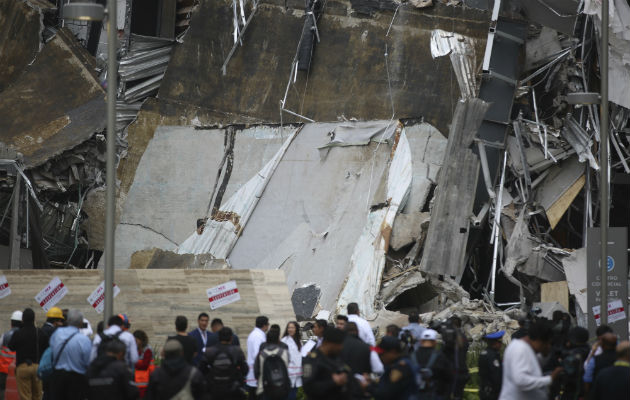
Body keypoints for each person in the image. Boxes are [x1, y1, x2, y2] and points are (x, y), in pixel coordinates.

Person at [498, 319, 563, 400]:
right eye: (547, 343)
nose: (548, 346)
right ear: (539, 340)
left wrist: (544, 355)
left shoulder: (526, 348)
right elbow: (521, 380)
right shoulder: (520, 349)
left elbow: (531, 366)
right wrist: (549, 379)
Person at [302, 327, 357, 400]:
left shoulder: (336, 358)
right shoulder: (312, 360)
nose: (341, 347)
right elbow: (309, 388)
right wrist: (333, 382)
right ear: (329, 343)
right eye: (339, 344)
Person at [49, 309, 93, 400]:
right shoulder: (84, 340)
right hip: (76, 380)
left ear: (67, 320)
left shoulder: (57, 334)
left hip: (58, 377)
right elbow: (88, 362)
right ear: (81, 323)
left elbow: (52, 351)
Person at [8, 308, 48, 400]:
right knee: (38, 395)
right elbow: (47, 346)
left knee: (25, 396)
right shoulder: (40, 332)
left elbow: (11, 346)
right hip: (37, 368)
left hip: (22, 367)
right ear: (34, 319)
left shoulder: (18, 333)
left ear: (23, 320)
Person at [200, 327, 248, 400]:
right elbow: (245, 370)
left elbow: (201, 368)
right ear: (231, 338)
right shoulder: (237, 351)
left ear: (219, 337)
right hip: (232, 390)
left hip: (214, 390)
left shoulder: (209, 351)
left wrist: (211, 375)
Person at [413, 329, 452, 400]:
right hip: (435, 393)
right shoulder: (440, 356)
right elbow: (448, 376)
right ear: (435, 342)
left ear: (421, 341)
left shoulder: (412, 356)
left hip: (415, 394)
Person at [254, 324, 290, 399]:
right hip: (282, 387)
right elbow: (287, 367)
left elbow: (256, 371)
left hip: (265, 388)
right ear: (278, 338)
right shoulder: (284, 351)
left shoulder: (262, 352)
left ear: (267, 338)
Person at [0, 311, 21, 400]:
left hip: (3, 369)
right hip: (16, 370)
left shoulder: (4, 336)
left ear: (11, 323)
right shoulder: (21, 335)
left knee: (2, 391)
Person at [246, 316, 269, 399]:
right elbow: (258, 355)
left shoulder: (255, 334)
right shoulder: (258, 336)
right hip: (257, 375)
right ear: (265, 325)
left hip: (254, 374)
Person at [478, 330, 504, 400]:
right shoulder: (492, 356)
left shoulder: (485, 353)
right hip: (492, 392)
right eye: (500, 342)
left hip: (485, 389)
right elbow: (496, 376)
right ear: (495, 343)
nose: (501, 344)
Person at [281, 322, 303, 400]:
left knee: (293, 394)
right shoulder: (284, 341)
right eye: (289, 327)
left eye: (292, 328)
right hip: (287, 373)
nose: (290, 329)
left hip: (296, 373)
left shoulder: (298, 341)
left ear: (296, 329)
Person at [133, 330, 155, 398]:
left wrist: (133, 364)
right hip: (137, 381)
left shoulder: (147, 350)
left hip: (145, 381)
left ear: (141, 340)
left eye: (136, 340)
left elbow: (145, 365)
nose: (135, 342)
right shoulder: (135, 349)